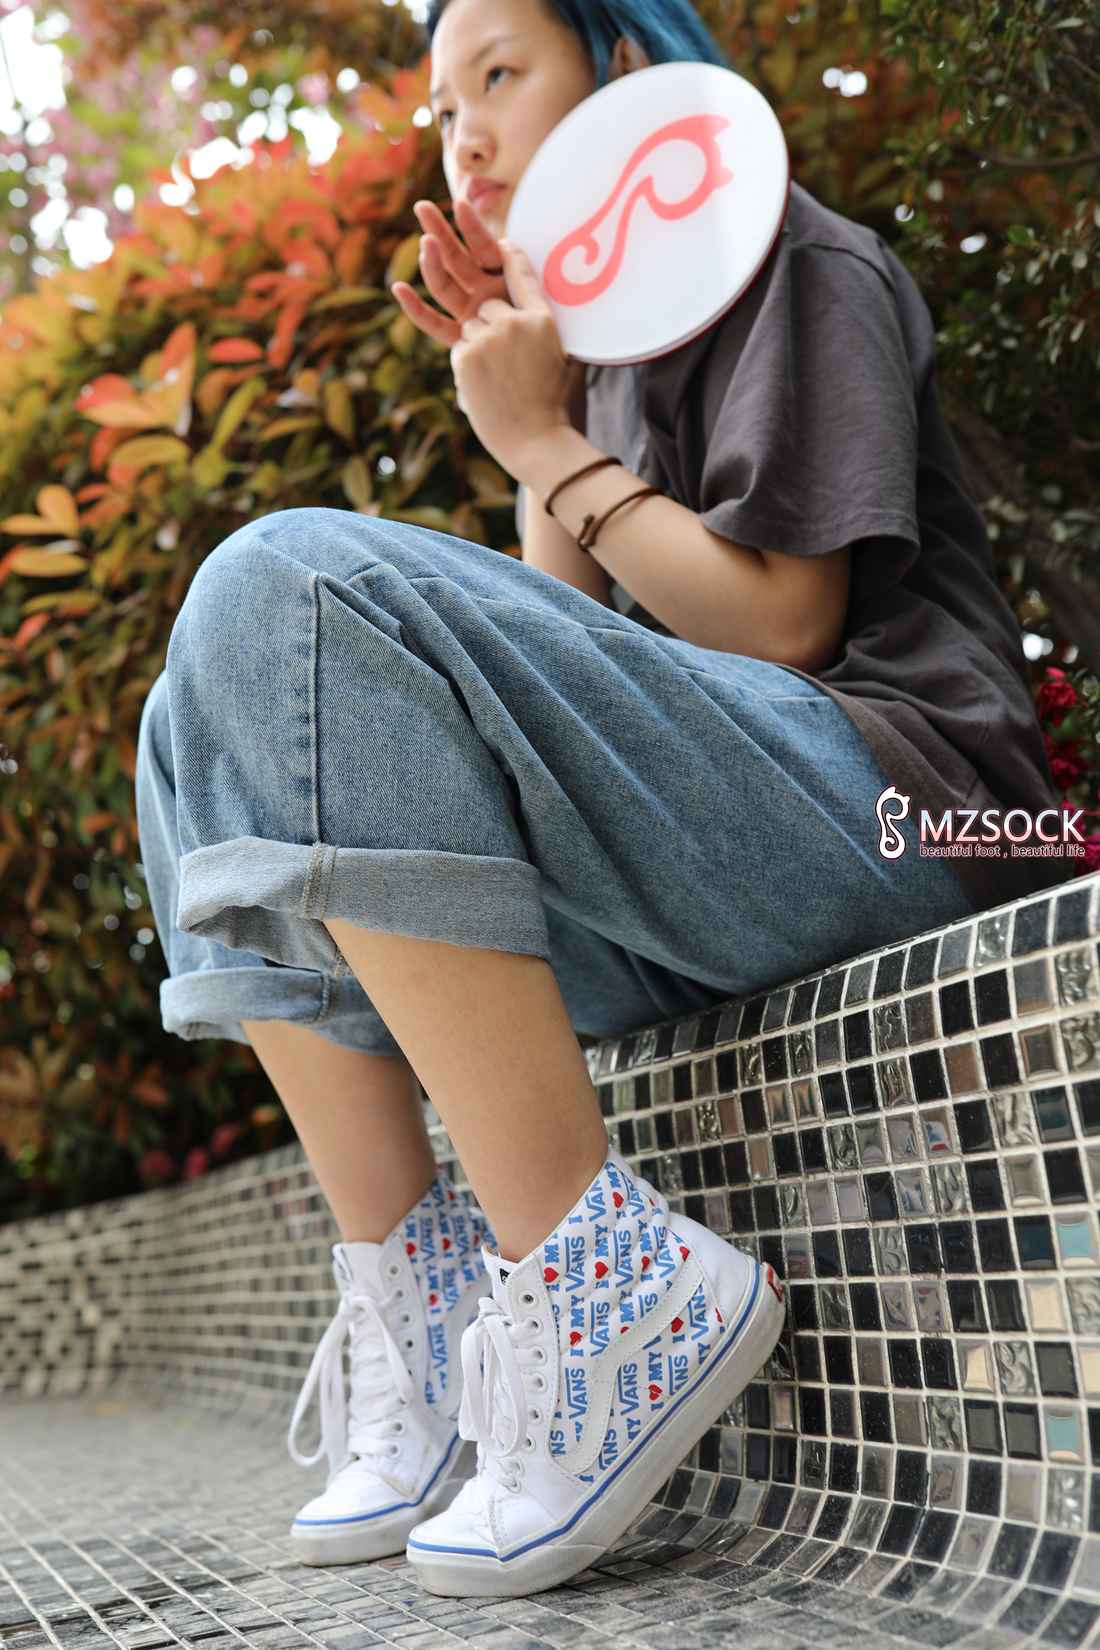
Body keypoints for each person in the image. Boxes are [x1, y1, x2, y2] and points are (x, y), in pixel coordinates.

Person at [134, 0, 1073, 1603]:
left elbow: (784, 623)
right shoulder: (599, 358)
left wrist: (541, 435)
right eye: (445, 112)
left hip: (913, 811)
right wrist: (547, 422)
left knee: (282, 590)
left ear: (627, 66)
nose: (468, 137)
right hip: (727, 848)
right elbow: (554, 661)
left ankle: (601, 1280)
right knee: (195, 727)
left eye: (502, 75)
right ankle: (427, 1312)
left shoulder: (792, 256)